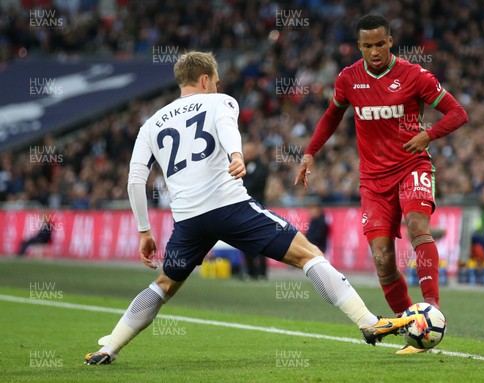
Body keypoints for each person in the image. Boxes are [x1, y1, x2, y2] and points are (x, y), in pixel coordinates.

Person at [84, 51, 416, 365]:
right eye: (214, 80)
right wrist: (237, 155)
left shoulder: (151, 124)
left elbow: (134, 180)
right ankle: (368, 321)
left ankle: (110, 347)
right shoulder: (220, 101)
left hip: (188, 221)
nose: (217, 86)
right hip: (230, 207)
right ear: (204, 79)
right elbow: (228, 129)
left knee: (164, 284)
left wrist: (144, 229)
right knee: (307, 254)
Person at [295, 14, 468, 355]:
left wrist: (428, 134)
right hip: (373, 181)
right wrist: (310, 152)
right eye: (367, 46)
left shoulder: (414, 75)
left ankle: (432, 310)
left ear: (390, 41)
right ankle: (413, 327)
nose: (374, 51)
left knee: (418, 225)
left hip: (411, 166)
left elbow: (457, 113)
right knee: (383, 258)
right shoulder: (348, 79)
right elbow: (332, 115)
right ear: (359, 46)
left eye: (379, 44)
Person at [241, 141, 269, 279]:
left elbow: (251, 186)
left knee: (261, 241)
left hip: (258, 208)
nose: (245, 154)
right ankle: (250, 270)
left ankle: (262, 272)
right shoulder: (244, 166)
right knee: (245, 240)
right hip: (245, 209)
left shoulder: (262, 167)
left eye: (247, 151)